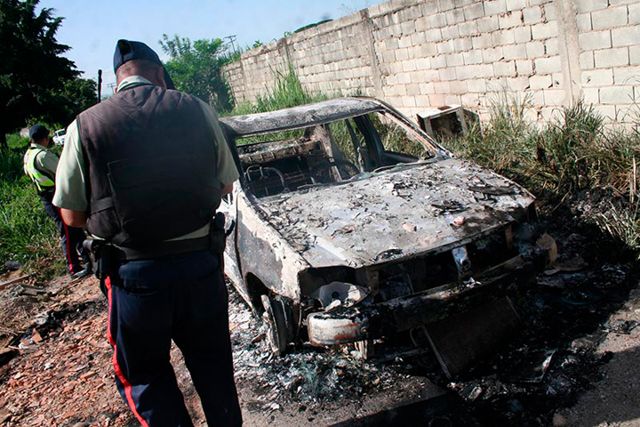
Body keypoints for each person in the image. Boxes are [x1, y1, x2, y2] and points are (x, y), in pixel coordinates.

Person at [52, 40, 242, 426]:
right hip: (199, 267)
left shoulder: (85, 124)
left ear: (117, 81)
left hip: (134, 277)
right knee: (214, 367)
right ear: (158, 74)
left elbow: (70, 215)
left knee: (146, 376)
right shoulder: (196, 109)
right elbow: (226, 185)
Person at [23, 124, 90, 279]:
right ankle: (74, 267)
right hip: (55, 195)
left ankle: (87, 260)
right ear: (44, 139)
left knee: (74, 230)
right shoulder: (43, 155)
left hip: (45, 195)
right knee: (67, 231)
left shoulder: (29, 154)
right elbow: (63, 171)